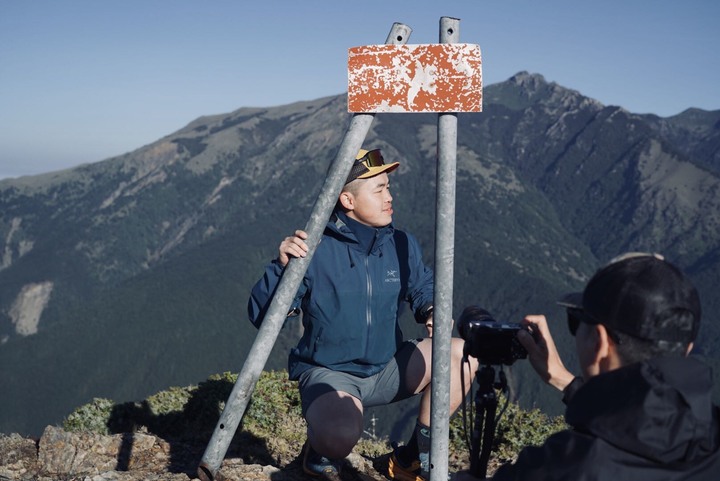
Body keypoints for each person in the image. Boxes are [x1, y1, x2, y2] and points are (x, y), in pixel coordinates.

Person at [248, 148, 477, 481]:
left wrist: (430, 310)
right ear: (348, 200)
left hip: (388, 366)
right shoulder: (313, 248)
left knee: (461, 356)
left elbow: (423, 286)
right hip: (330, 372)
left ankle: (412, 458)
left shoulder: (401, 242)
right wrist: (281, 268)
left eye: (388, 186)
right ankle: (321, 450)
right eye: (379, 189)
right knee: (340, 435)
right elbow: (264, 316)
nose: (389, 196)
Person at [485, 252, 720, 480]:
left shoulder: (562, 466)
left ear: (599, 342)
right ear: (687, 348)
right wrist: (565, 381)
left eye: (575, 322)